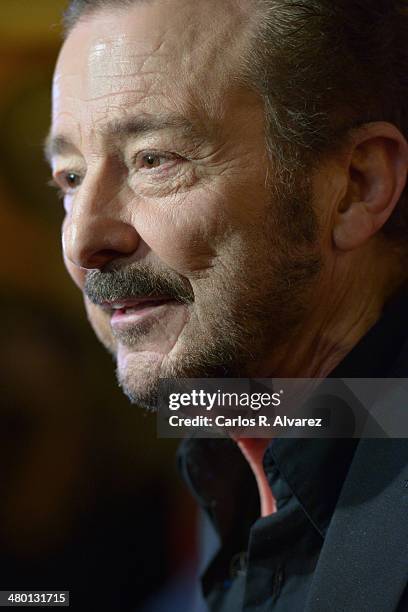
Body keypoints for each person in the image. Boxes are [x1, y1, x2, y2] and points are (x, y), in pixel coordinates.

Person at [45, 0, 408, 609]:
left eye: (153, 160)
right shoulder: (228, 452)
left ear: (356, 186)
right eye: (71, 178)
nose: (84, 240)